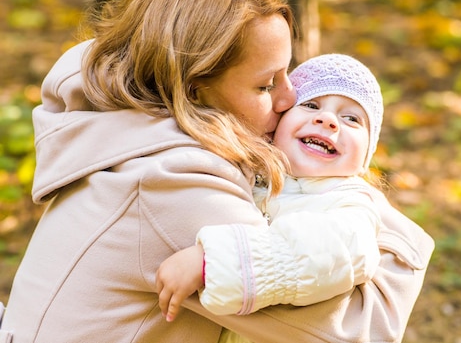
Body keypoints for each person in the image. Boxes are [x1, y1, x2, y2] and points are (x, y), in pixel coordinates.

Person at [0, 0, 434, 343]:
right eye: (266, 85)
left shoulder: (127, 133)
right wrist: (375, 214)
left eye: (289, 77)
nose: (289, 101)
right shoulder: (173, 185)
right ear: (196, 89)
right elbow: (360, 330)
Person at [156, 54, 386, 334]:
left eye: (351, 118)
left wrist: (212, 261)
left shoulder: (351, 204)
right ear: (277, 124)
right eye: (311, 104)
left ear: (365, 157)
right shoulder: (247, 171)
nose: (327, 120)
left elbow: (333, 250)